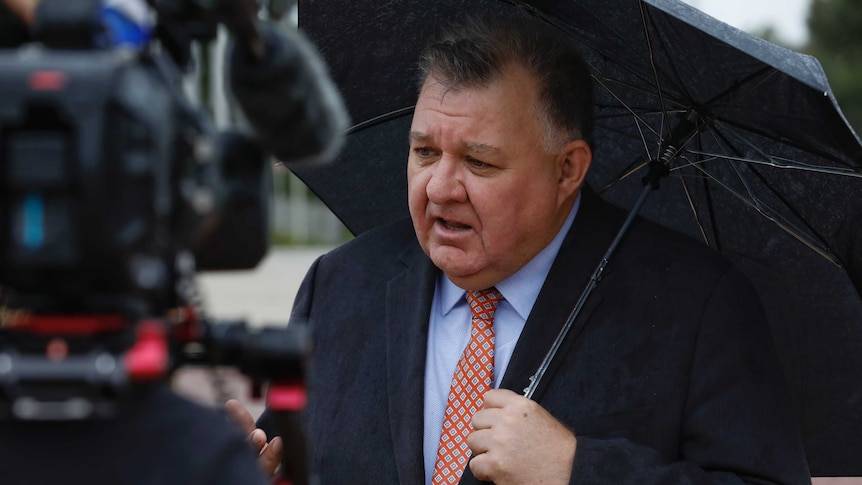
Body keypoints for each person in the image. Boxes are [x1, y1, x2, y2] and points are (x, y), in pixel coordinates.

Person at [233, 11, 812, 485]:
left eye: (479, 162)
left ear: (567, 170)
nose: (438, 188)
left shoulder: (697, 304)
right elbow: (290, 457)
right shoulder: (338, 286)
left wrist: (577, 469)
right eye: (425, 152)